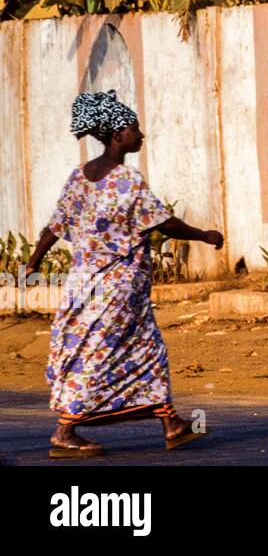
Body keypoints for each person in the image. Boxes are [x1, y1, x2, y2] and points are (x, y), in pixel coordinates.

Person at [23, 90, 224, 459]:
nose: (140, 134)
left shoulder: (78, 178)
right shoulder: (127, 180)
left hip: (85, 286)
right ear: (117, 136)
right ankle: (65, 429)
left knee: (145, 348)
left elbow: (54, 226)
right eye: (134, 129)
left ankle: (171, 422)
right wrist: (204, 235)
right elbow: (163, 221)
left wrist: (34, 261)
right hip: (116, 289)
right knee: (99, 353)